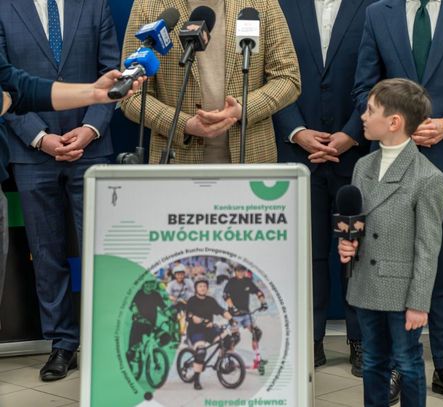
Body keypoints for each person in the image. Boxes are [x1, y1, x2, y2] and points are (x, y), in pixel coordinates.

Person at [352, 0, 443, 403]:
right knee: (390, 269)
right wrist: (396, 130)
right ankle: (398, 366)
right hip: (388, 164)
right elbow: (363, 88)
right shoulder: (378, 14)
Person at [0, 0, 120, 382]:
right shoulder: (4, 9)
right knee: (46, 253)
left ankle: (109, 340)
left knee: (102, 252)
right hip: (31, 151)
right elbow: (6, 85)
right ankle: (62, 344)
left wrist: (90, 128)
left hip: (92, 147)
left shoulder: (95, 5)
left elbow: (111, 74)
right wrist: (40, 137)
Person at [273, 0, 373, 377]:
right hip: (297, 153)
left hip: (357, 153)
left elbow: (380, 76)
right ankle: (310, 338)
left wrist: (352, 132)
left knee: (357, 252)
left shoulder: (375, 6)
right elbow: (268, 71)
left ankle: (360, 340)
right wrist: (297, 131)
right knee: (306, 253)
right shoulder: (280, 5)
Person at [339, 78, 443, 407]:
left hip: (403, 294)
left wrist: (419, 303)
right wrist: (349, 244)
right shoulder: (363, 166)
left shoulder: (428, 177)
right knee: (373, 360)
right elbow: (357, 223)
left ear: (394, 122)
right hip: (366, 285)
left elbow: (428, 248)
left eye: (371, 111)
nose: (363, 116)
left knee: (408, 362)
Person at [120, 0, 301, 164]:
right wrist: (185, 124)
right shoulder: (148, 5)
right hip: (177, 160)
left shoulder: (262, 3)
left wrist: (242, 108)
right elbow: (131, 94)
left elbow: (287, 77)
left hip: (252, 157)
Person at [185, 276, 236, 390]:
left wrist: (231, 320)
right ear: (196, 288)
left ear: (207, 288)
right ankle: (196, 380)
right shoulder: (192, 301)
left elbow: (221, 311)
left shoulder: (210, 300)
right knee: (201, 352)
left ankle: (219, 363)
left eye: (204, 286)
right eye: (200, 286)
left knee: (228, 338)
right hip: (195, 331)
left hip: (209, 330)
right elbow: (192, 317)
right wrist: (203, 321)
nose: (203, 288)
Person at [223, 264, 267, 370]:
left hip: (246, 314)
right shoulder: (231, 282)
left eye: (242, 271)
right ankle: (228, 361)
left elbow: (258, 292)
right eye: (238, 271)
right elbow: (225, 295)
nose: (241, 273)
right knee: (234, 338)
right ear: (235, 272)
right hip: (234, 315)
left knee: (257, 333)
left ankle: (257, 358)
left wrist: (263, 302)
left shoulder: (247, 281)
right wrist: (232, 307)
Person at [126, 280, 168, 364]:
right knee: (132, 351)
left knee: (166, 337)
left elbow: (163, 307)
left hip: (151, 325)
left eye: (152, 283)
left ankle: (154, 349)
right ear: (144, 284)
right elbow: (132, 305)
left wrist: (170, 314)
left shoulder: (156, 294)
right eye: (147, 283)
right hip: (138, 325)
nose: (150, 285)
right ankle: (131, 360)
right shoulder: (138, 294)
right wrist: (136, 313)